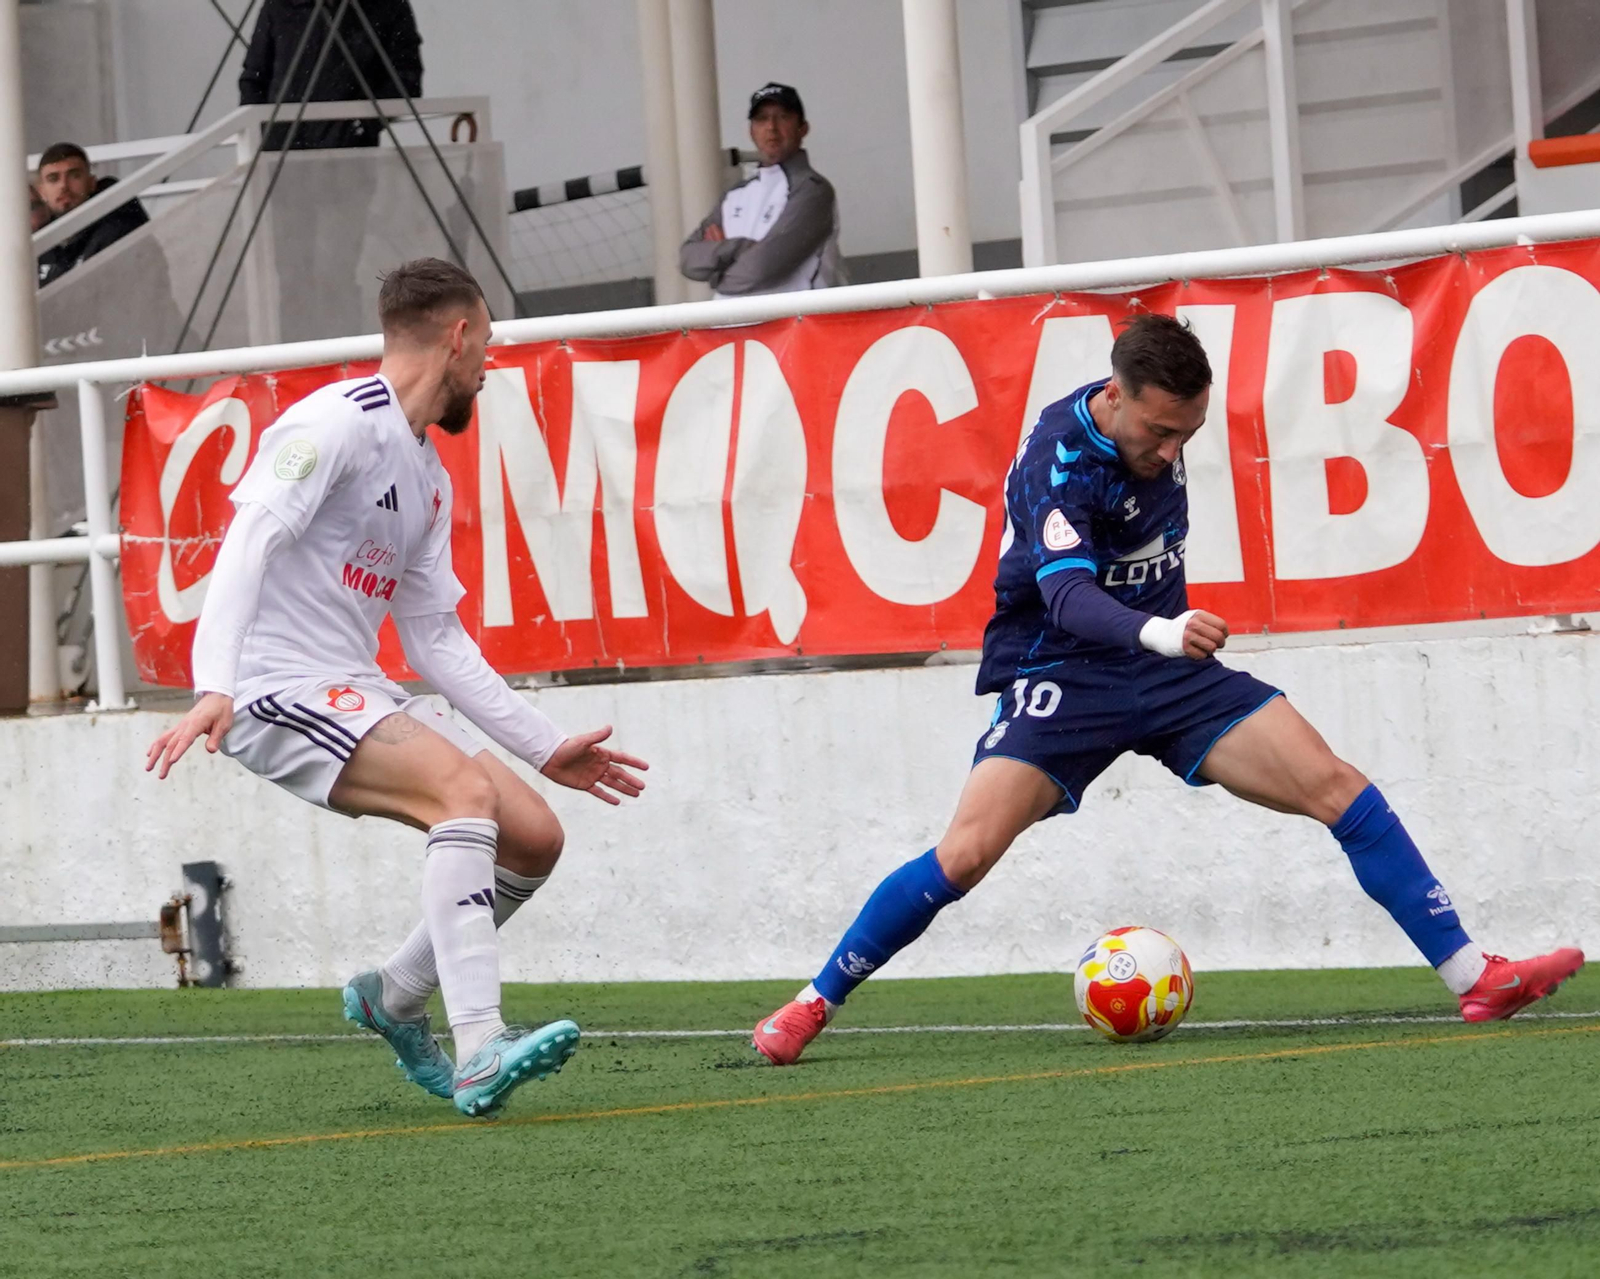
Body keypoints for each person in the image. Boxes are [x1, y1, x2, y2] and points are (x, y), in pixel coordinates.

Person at [753, 313, 1584, 1065]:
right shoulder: (1058, 456)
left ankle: (1478, 976)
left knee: (1338, 785)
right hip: (1063, 672)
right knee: (965, 852)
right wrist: (1162, 629)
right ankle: (812, 1002)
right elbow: (1070, 596)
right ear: (1115, 396)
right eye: (1157, 431)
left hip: (1172, 676)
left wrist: (1166, 645)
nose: (1170, 451)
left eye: (1187, 433)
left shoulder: (1159, 431)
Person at [146, 258, 649, 1118]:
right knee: (461, 793)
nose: (487, 368)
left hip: (352, 687)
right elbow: (247, 543)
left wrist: (543, 743)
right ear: (457, 338)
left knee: (532, 837)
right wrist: (214, 685)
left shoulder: (426, 474)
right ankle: (482, 1045)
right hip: (273, 687)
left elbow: (435, 639)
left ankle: (396, 994)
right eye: (485, 346)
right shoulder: (335, 424)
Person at [679, 81, 842, 299]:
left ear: (803, 128)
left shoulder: (813, 190)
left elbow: (760, 269)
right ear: (751, 131)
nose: (771, 127)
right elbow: (688, 259)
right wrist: (737, 247)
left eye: (783, 117)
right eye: (762, 119)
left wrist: (717, 275)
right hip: (728, 329)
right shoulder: (735, 195)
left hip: (793, 327)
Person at [239, 0, 423, 151]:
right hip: (282, 155)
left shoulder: (387, 7)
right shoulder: (279, 6)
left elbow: (406, 79)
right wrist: (266, 133)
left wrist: (363, 125)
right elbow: (253, 80)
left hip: (351, 159)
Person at [35, 142, 150, 287]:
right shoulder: (38, 243)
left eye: (74, 175)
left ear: (91, 183)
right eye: (53, 179)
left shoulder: (118, 228)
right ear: (41, 191)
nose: (63, 185)